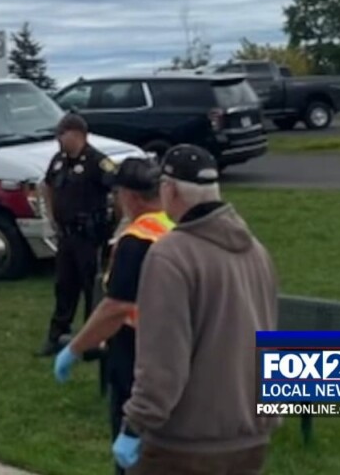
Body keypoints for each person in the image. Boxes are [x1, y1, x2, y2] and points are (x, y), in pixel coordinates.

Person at [114, 144, 281, 474]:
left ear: (170, 190)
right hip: (250, 438)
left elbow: (163, 362)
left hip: (185, 445)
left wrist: (134, 425)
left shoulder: (170, 257)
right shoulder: (257, 252)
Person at [51, 157, 173, 475]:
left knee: (134, 454)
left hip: (136, 354)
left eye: (117, 193)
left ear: (130, 196)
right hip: (173, 353)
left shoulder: (137, 240)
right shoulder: (176, 227)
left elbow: (116, 307)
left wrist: (74, 348)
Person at [37, 113, 118, 357]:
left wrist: (115, 226)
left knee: (91, 287)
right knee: (64, 286)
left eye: (62, 134)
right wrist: (52, 217)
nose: (58, 139)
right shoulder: (59, 160)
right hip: (66, 235)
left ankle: (92, 341)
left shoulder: (98, 162)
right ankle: (56, 335)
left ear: (77, 134)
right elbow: (47, 186)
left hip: (89, 236)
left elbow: (118, 189)